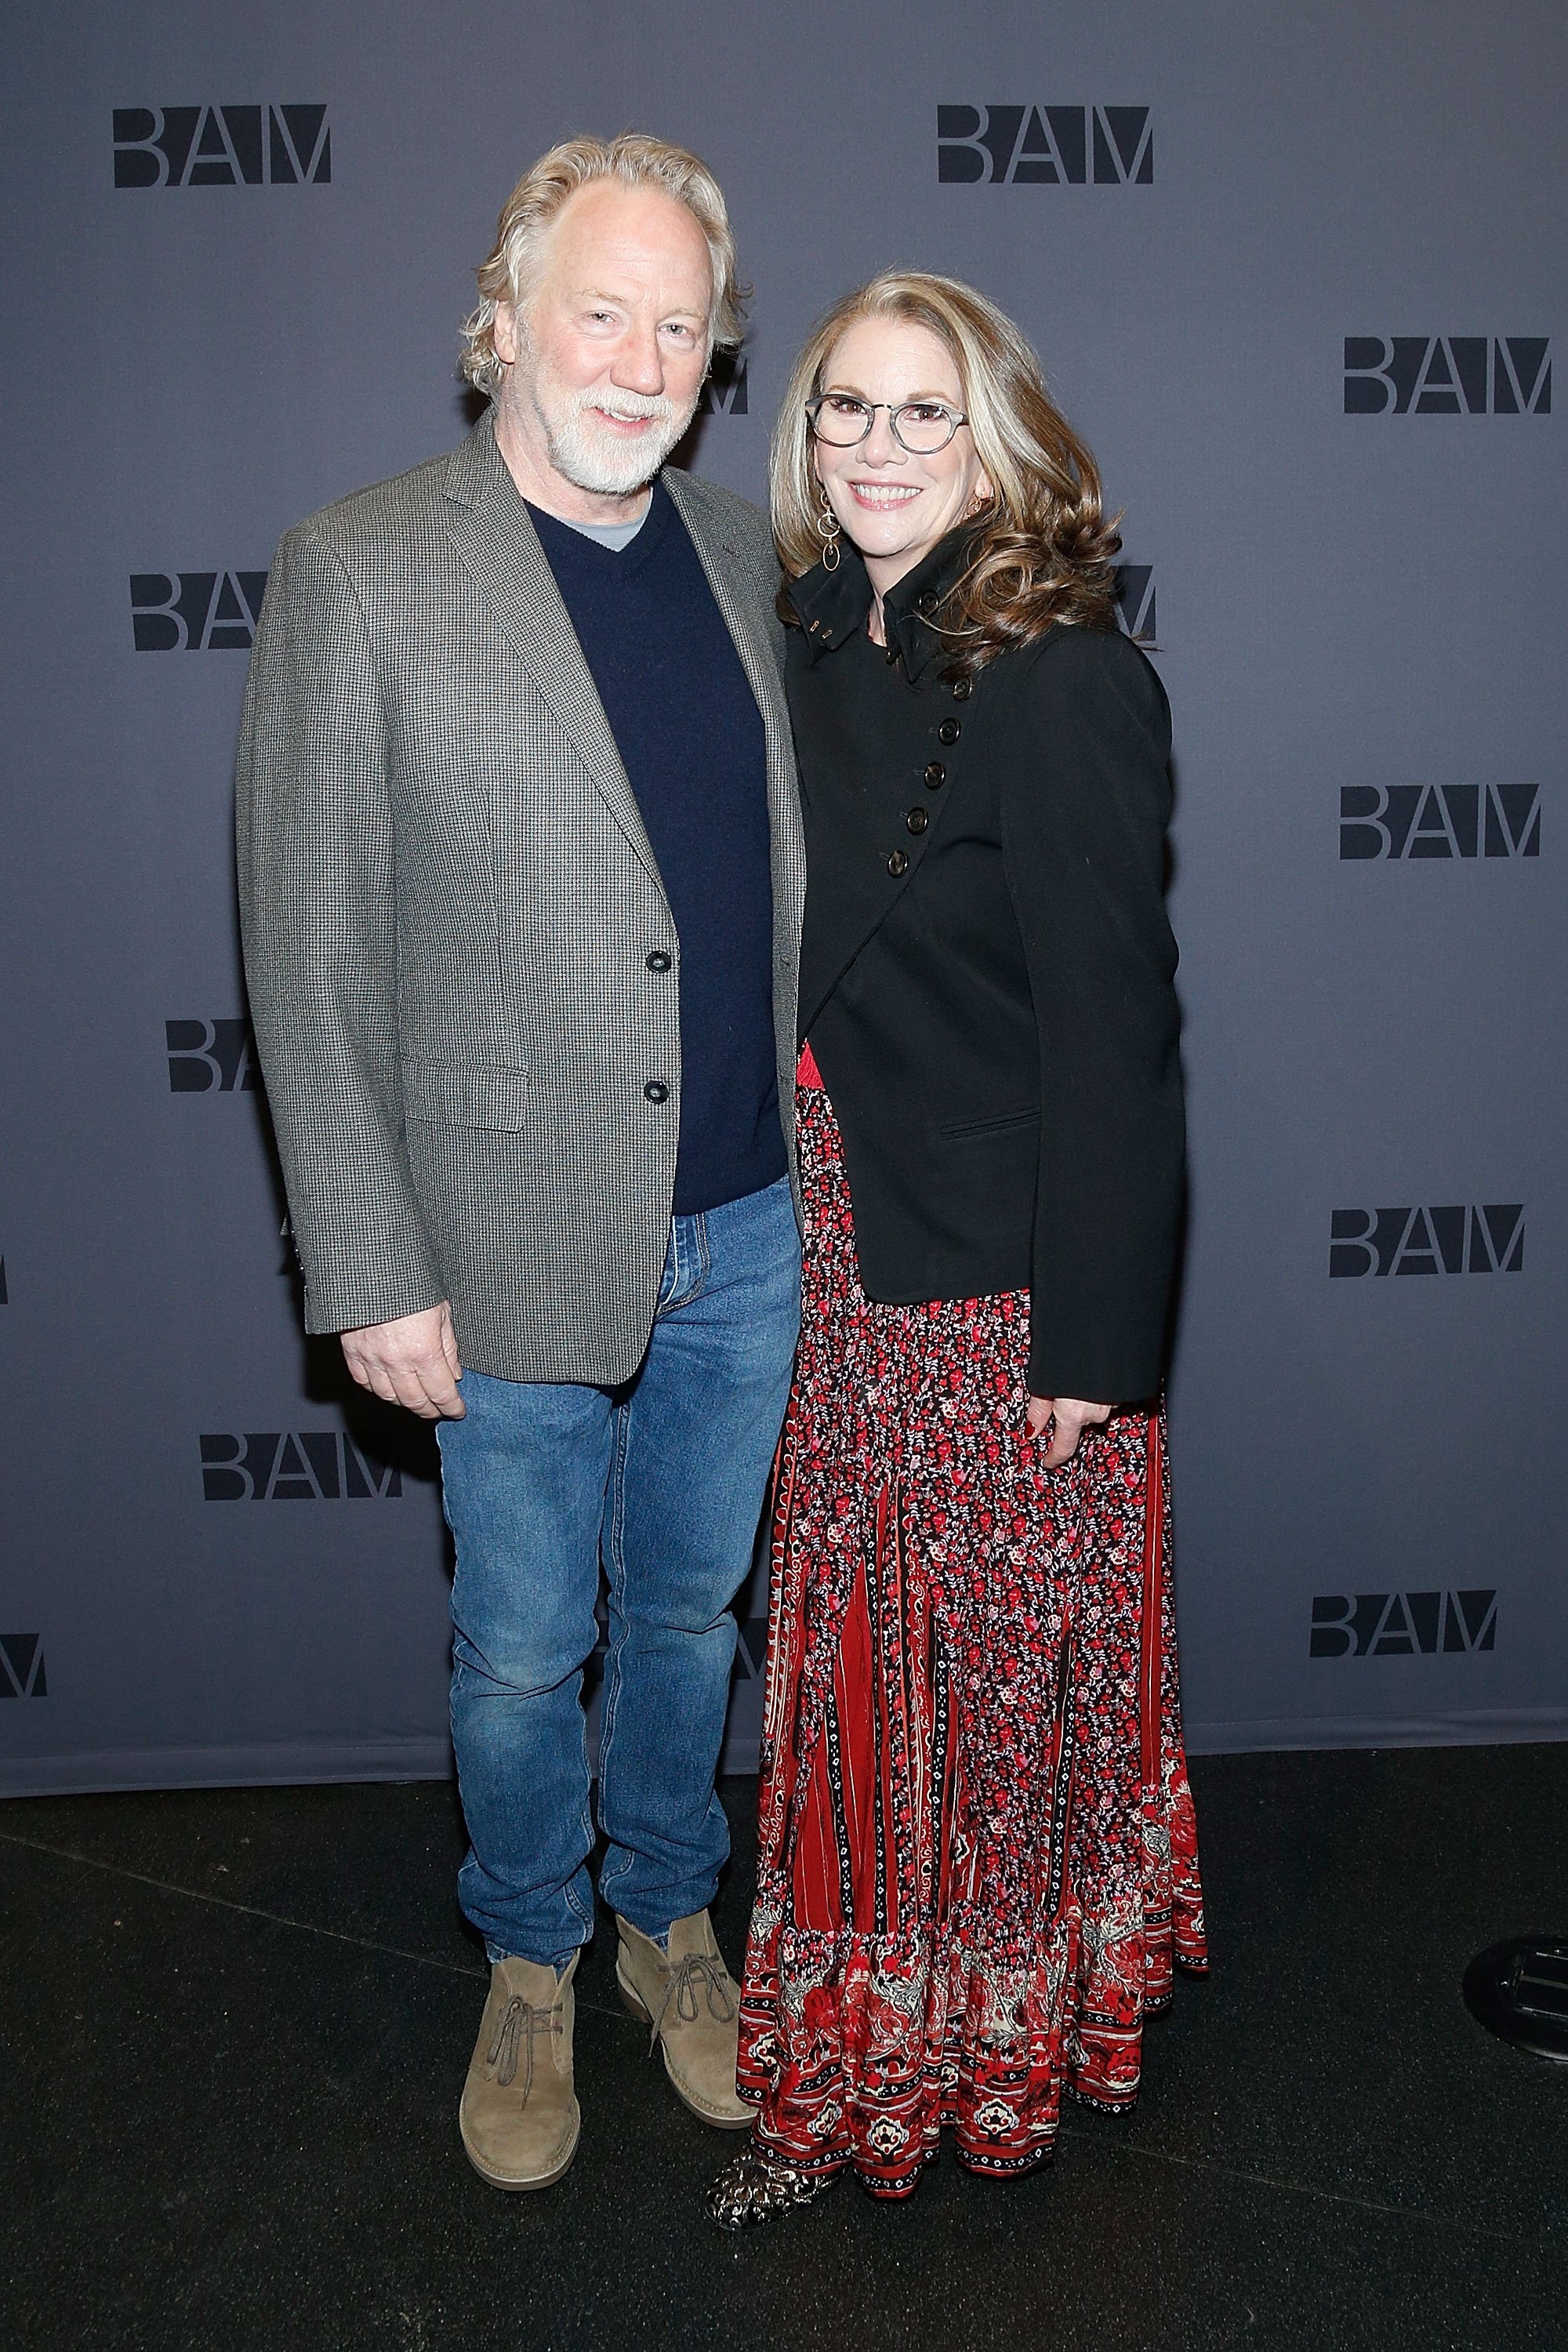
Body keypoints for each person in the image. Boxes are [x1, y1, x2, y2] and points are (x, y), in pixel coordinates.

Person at [236, 135, 804, 2194]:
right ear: (507, 319)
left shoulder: (750, 559)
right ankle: (533, 1953)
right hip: (502, 1248)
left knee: (688, 1625)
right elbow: (307, 946)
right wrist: (369, 1265)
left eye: (679, 322)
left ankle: (670, 1919)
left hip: (747, 1227)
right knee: (514, 1649)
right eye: (601, 308)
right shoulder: (363, 565)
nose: (642, 358)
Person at [708, 273, 1207, 2228]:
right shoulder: (794, 640)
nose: (876, 450)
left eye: (926, 413)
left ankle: (977, 2041)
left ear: (1000, 437)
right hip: (826, 1250)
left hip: (993, 1283)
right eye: (844, 410)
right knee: (851, 1677)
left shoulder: (1069, 676)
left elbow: (1120, 1028)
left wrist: (1096, 1333)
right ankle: (850, 2040)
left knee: (981, 1691)